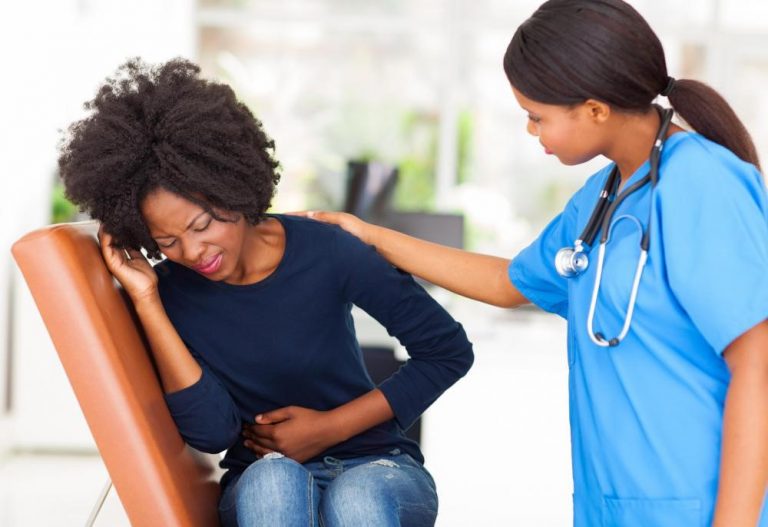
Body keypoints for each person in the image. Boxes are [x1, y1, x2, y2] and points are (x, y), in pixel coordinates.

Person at [299, 1, 768, 526]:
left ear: (595, 109)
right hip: (616, 505)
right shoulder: (602, 197)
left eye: (536, 116)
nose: (530, 129)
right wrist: (369, 236)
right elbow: (509, 282)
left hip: (701, 506)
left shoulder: (703, 184)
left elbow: (758, 363)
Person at [57, 58, 474, 527]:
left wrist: (329, 429)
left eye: (203, 225)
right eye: (167, 242)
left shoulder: (329, 250)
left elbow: (446, 351)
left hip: (377, 465)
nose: (193, 252)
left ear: (233, 189)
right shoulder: (171, 294)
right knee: (275, 482)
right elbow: (212, 433)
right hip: (263, 476)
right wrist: (148, 301)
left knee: (356, 499)